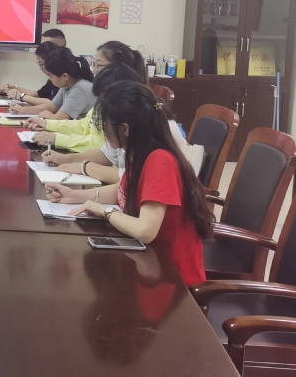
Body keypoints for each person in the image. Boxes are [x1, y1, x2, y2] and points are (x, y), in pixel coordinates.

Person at [45, 81, 214, 286]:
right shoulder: (139, 151)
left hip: (171, 279)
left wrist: (105, 211)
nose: (103, 131)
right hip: (148, 262)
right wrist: (74, 196)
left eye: (105, 125)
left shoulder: (159, 161)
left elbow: (145, 231)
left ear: (124, 129)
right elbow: (123, 189)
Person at [40, 63, 200, 183]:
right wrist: (66, 159)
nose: (101, 107)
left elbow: (132, 177)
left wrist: (85, 167)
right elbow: (107, 154)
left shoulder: (150, 124)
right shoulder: (127, 121)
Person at [26, 40, 146, 151]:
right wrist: (47, 124)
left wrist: (57, 139)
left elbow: (100, 145)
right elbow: (84, 125)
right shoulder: (105, 95)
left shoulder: (124, 102)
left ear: (117, 68)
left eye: (99, 65)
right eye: (94, 64)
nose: (94, 70)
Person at [10, 46, 94, 119]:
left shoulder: (80, 88)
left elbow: (60, 118)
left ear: (64, 76)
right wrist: (23, 110)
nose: (50, 79)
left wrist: (50, 116)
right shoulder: (66, 85)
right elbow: (52, 106)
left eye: (51, 76)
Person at [0, 37, 64, 102]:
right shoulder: (52, 79)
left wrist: (21, 97)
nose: (41, 69)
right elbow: (37, 95)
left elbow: (52, 104)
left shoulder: (61, 78)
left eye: (41, 64)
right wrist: (14, 88)